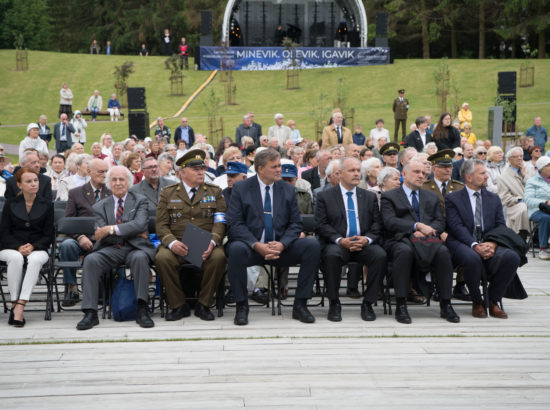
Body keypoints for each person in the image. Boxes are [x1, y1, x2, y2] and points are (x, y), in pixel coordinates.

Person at [226, 148, 320, 325]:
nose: (279, 170)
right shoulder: (241, 188)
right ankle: (241, 306)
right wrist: (256, 245)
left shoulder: (287, 189)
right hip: (252, 247)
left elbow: (295, 224)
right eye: (274, 166)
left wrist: (283, 244)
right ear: (260, 169)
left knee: (312, 246)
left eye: (279, 165)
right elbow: (235, 224)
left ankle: (300, 305)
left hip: (281, 247)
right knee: (236, 249)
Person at [76, 166, 156, 330]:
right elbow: (102, 234)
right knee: (91, 259)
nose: (118, 183)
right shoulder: (100, 206)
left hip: (136, 248)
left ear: (129, 182)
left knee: (140, 258)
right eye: (114, 179)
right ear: (108, 183)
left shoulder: (140, 200)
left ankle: (142, 308)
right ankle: (90, 312)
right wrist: (132, 231)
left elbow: (140, 224)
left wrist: (111, 229)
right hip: (111, 249)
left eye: (122, 179)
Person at [381, 160, 460, 324]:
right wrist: (415, 226)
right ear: (403, 174)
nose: (421, 175)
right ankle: (401, 304)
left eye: (424, 173)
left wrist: (428, 230)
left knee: (443, 252)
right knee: (404, 252)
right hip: (400, 238)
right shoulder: (390, 196)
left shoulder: (431, 196)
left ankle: (446, 303)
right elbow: (389, 222)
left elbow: (440, 221)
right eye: (416, 172)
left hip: (427, 239)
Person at [155, 150, 227, 321]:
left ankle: (204, 304)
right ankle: (178, 305)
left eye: (202, 168)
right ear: (182, 172)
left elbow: (220, 221)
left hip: (206, 243)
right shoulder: (168, 193)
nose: (201, 172)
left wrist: (214, 241)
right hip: (177, 243)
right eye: (196, 169)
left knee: (219, 257)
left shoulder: (214, 192)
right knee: (162, 258)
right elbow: (161, 224)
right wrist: (171, 243)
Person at [445, 159, 522, 319]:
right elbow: (456, 227)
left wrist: (493, 244)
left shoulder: (493, 199)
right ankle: (477, 301)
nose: (487, 176)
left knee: (511, 257)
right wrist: (474, 245)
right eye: (482, 173)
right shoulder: (453, 199)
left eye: (486, 173)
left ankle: (493, 300)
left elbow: (500, 226)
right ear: (469, 177)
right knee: (472, 258)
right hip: (462, 242)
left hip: (489, 241)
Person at [315, 156, 386, 322]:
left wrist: (367, 239)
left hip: (363, 244)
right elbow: (321, 225)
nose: (356, 174)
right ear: (340, 173)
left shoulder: (368, 196)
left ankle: (368, 303)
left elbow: (377, 224)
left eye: (358, 170)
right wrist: (340, 240)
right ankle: (334, 303)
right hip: (339, 244)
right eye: (352, 170)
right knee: (331, 256)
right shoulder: (326, 196)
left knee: (380, 255)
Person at [0, 168, 54, 327]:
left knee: (36, 260)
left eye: (35, 181)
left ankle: (20, 306)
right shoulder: (10, 204)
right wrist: (18, 247)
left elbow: (48, 234)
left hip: (38, 248)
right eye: (28, 181)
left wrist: (34, 246)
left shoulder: (47, 204)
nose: (33, 184)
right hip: (11, 247)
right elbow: (4, 232)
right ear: (19, 185)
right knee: (16, 258)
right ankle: (15, 302)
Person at [59, 159, 111, 306]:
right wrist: (80, 237)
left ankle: (106, 287)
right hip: (81, 239)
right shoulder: (76, 193)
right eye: (101, 172)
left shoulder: (112, 192)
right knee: (67, 245)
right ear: (89, 172)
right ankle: (71, 288)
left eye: (107, 171)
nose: (105, 175)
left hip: (106, 240)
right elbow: (68, 221)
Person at [496, 147, 530, 235]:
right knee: (523, 209)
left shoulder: (528, 171)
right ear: (509, 159)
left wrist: (524, 176)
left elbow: (533, 188)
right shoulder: (503, 177)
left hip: (531, 202)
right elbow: (504, 198)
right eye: (516, 156)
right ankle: (522, 234)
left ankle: (537, 235)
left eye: (521, 156)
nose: (519, 158)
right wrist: (519, 199)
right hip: (514, 206)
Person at [524, 156, 550, 260]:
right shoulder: (532, 181)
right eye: (549, 166)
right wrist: (544, 202)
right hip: (537, 210)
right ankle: (542, 249)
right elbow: (528, 200)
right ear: (542, 168)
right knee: (546, 218)